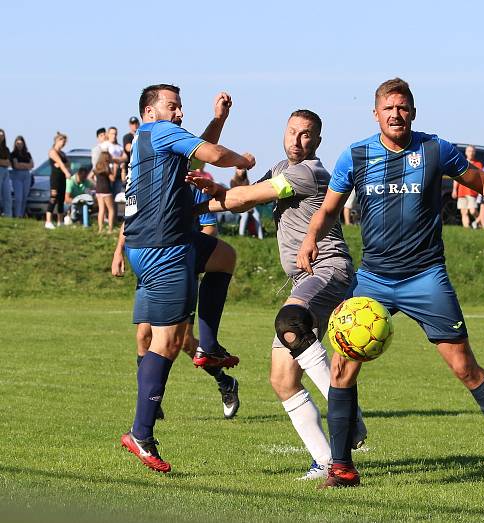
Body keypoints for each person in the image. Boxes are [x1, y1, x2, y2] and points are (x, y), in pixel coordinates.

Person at [296, 78, 484, 492]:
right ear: (376, 114)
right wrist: (309, 239)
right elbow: (328, 210)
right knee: (341, 367)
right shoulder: (355, 155)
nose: (396, 114)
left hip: (426, 277)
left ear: (413, 111)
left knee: (465, 368)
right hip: (373, 279)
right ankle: (342, 468)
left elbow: (481, 182)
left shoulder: (434, 149)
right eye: (388, 108)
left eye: (403, 107)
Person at [188, 109, 367, 480]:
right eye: (292, 132)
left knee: (289, 318)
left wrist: (193, 207)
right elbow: (242, 194)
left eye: (306, 135)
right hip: (305, 277)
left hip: (327, 270)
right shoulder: (281, 167)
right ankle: (324, 460)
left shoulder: (308, 172)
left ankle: (348, 415)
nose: (297, 140)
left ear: (317, 142)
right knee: (282, 378)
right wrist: (217, 191)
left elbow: (245, 200)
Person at [118, 83, 254, 473]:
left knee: (224, 256)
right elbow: (209, 153)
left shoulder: (150, 138)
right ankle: (141, 433)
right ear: (150, 112)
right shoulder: (159, 132)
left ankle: (208, 347)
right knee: (169, 339)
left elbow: (196, 147)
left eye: (180, 107)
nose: (178, 113)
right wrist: (240, 159)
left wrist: (219, 119)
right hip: (164, 247)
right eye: (172, 106)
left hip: (155, 243)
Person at [112, 186, 241, 421]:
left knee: (184, 342)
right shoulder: (144, 179)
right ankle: (152, 403)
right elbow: (130, 219)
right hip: (149, 265)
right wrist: (118, 252)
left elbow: (210, 228)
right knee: (143, 335)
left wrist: (190, 254)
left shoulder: (191, 186)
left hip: (177, 268)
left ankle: (225, 382)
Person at [45, 132, 71, 229]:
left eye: (65, 142)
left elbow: (68, 163)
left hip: (62, 178)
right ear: (57, 141)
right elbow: (60, 163)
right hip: (55, 178)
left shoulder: (63, 153)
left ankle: (60, 221)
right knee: (53, 198)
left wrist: (64, 168)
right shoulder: (52, 151)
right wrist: (66, 172)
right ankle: (48, 221)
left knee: (61, 199)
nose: (63, 144)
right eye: (62, 141)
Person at [451, 145, 480, 228]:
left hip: (472, 191)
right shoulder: (461, 162)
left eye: (472, 151)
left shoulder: (478, 164)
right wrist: (454, 190)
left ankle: (479, 222)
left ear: (474, 152)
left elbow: (479, 178)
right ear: (466, 152)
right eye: (469, 151)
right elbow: (456, 177)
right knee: (464, 212)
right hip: (461, 191)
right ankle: (466, 229)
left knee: (473, 211)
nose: (471, 153)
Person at [230, 168, 263, 239]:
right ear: (236, 170)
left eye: (243, 169)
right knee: (245, 215)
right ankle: (241, 235)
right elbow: (235, 196)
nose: (241, 171)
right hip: (237, 205)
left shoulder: (246, 180)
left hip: (247, 204)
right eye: (239, 169)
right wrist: (245, 207)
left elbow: (248, 195)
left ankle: (261, 237)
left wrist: (250, 207)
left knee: (257, 215)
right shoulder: (233, 181)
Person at [9, 135, 34, 218]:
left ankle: (21, 215)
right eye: (18, 143)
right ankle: (17, 215)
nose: (19, 145)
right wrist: (25, 165)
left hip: (26, 175)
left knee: (24, 197)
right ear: (15, 144)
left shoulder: (27, 154)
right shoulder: (13, 154)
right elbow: (16, 166)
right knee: (18, 197)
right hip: (17, 175)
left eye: (21, 143)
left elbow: (32, 165)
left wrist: (22, 165)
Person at [93, 142, 115, 233]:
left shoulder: (97, 167)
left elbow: (91, 176)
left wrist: (95, 182)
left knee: (101, 210)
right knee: (111, 209)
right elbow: (112, 179)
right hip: (106, 190)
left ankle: (100, 229)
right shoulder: (107, 168)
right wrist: (114, 169)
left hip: (98, 190)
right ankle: (110, 229)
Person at [107, 126, 127, 196]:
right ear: (108, 134)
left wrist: (116, 160)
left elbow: (125, 157)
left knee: (117, 195)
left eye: (115, 134)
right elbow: (106, 158)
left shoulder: (119, 146)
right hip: (109, 174)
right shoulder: (105, 145)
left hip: (118, 174)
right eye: (112, 134)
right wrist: (119, 160)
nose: (114, 136)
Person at [0, 130, 10, 216]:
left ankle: (8, 216)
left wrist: (3, 162)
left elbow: (9, 163)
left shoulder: (6, 149)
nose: (1, 137)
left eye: (2, 135)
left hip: (5, 171)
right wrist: (4, 162)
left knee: (7, 196)